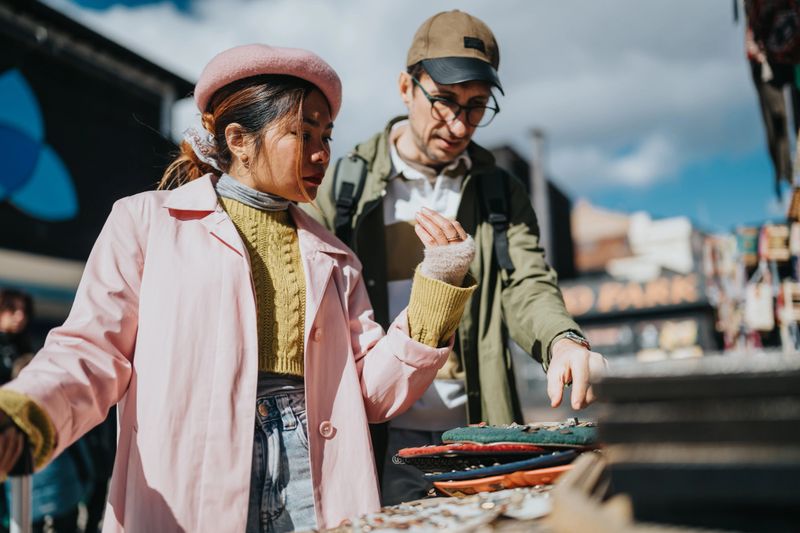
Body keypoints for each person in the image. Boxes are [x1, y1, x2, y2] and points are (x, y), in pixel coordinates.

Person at [0, 44, 477, 531]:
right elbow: (92, 350)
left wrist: (437, 284)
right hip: (189, 478)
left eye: (327, 135)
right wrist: (25, 412)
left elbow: (374, 395)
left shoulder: (337, 258)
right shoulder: (144, 222)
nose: (321, 153)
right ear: (238, 139)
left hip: (318, 476)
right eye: (303, 132)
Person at [307, 10, 607, 504]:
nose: (458, 122)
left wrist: (564, 341)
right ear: (406, 87)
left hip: (477, 432)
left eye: (476, 106)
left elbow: (527, 284)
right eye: (444, 99)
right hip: (375, 437)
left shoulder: (499, 192)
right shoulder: (344, 186)